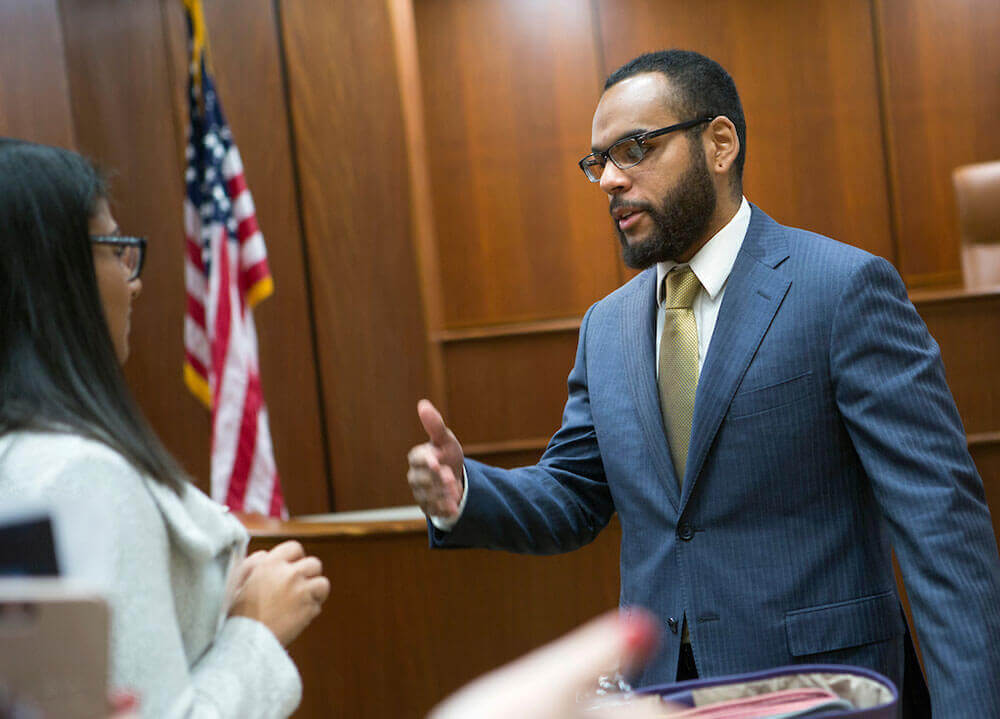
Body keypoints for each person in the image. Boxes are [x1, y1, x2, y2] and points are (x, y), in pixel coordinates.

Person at [407, 50, 1000, 716]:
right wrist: (464, 492)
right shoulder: (606, 327)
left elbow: (941, 530)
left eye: (634, 149)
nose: (608, 179)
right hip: (663, 690)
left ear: (719, 144)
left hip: (823, 693)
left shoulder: (842, 290)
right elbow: (573, 492)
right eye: (598, 161)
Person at [0, 138, 330, 718]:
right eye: (115, 248)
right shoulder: (78, 474)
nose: (135, 280)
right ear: (57, 271)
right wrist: (256, 628)